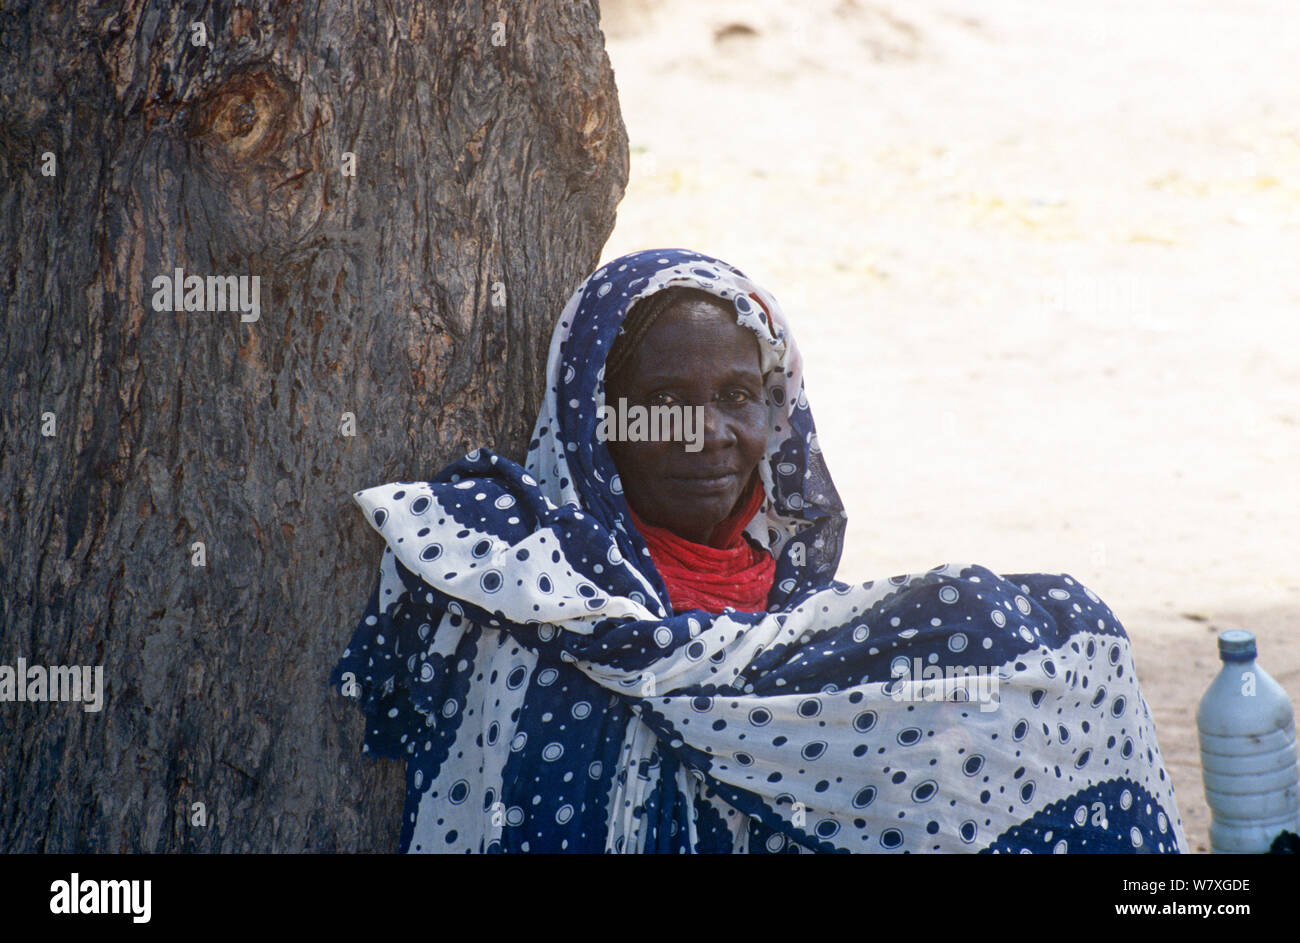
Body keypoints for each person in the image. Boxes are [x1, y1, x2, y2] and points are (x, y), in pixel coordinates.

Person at [331, 248, 1186, 853]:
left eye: (739, 396)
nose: (708, 435)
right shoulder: (532, 594)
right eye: (663, 400)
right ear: (599, 423)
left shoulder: (809, 630)